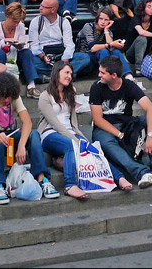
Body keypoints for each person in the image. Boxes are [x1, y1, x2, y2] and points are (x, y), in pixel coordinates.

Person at [89, 56, 152, 189]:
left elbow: (150, 109)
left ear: (114, 75)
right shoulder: (97, 87)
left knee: (148, 120)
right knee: (106, 142)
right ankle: (142, 173)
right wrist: (118, 134)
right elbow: (98, 119)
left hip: (127, 124)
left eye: (102, 72)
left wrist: (150, 135)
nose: (99, 75)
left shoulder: (129, 86)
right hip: (105, 128)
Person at [0, 71, 59, 205]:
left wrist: (21, 146)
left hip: (12, 137)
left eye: (8, 97)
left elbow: (27, 122)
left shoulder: (15, 98)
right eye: (3, 97)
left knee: (34, 134)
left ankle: (42, 178)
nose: (6, 100)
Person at [38, 61, 90, 200]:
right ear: (57, 73)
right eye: (66, 73)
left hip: (69, 132)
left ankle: (118, 177)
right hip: (50, 133)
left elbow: (73, 123)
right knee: (70, 145)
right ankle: (69, 185)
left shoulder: (71, 92)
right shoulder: (45, 96)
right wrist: (75, 140)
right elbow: (55, 124)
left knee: (93, 149)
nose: (69, 76)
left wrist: (81, 138)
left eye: (71, 74)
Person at [28, 0, 89, 85]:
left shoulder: (64, 22)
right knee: (30, 61)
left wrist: (65, 60)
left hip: (61, 54)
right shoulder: (36, 21)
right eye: (40, 5)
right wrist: (43, 57)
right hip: (43, 56)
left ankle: (53, 76)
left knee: (84, 58)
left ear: (53, 10)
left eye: (44, 7)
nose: (40, 8)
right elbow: (33, 45)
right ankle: (65, 74)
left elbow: (69, 44)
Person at [0, 2, 39, 97]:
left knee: (27, 52)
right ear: (7, 16)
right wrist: (4, 41)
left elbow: (21, 44)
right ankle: (0, 86)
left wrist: (20, 46)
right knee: (0, 53)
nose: (16, 24)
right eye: (14, 21)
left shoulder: (20, 27)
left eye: (18, 22)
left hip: (14, 55)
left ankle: (31, 86)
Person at [75, 8, 140, 81]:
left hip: (99, 56)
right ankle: (105, 77)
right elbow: (93, 48)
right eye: (101, 19)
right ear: (97, 19)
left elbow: (111, 49)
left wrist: (106, 30)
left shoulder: (108, 31)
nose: (103, 22)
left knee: (116, 52)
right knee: (103, 51)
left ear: (110, 21)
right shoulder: (89, 26)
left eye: (106, 20)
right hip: (86, 55)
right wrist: (110, 44)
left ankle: (129, 76)